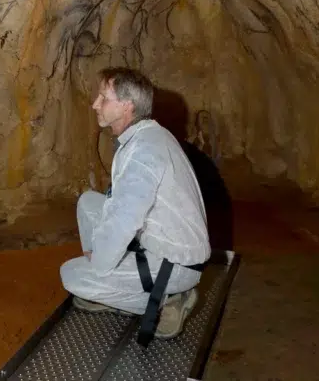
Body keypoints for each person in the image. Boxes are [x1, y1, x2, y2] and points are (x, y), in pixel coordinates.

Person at [59, 67, 211, 339]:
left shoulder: (143, 150)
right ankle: (117, 286)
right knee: (87, 203)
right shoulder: (147, 136)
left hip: (174, 262)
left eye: (104, 98)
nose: (95, 104)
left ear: (127, 106)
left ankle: (170, 301)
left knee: (72, 274)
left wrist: (100, 265)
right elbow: (120, 206)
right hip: (163, 240)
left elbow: (124, 219)